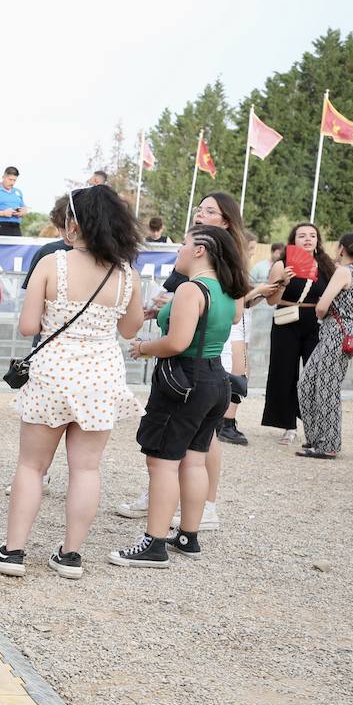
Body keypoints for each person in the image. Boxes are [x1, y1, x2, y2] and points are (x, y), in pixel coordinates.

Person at [0, 186, 143, 578]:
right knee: (86, 469)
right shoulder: (126, 274)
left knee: (32, 465)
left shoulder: (53, 264)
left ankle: (13, 551)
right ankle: (70, 556)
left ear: (74, 224)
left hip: (53, 372)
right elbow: (130, 328)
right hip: (101, 374)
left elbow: (28, 325)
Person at [115, 227, 249, 568]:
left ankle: (154, 543)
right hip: (216, 379)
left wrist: (143, 347)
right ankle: (189, 536)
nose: (179, 250)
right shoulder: (226, 288)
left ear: (200, 250)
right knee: (195, 459)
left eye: (184, 244)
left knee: (162, 462)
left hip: (185, 381)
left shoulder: (191, 289)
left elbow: (177, 342)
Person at [297, 233, 353, 459]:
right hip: (344, 330)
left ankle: (328, 444)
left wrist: (322, 312)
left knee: (327, 387)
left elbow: (321, 307)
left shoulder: (343, 271)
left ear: (341, 249)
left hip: (335, 330)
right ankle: (316, 438)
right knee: (307, 382)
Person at [262, 223, 329, 445]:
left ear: (317, 240)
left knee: (314, 374)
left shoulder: (327, 266)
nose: (308, 239)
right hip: (286, 321)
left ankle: (314, 425)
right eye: (302, 236)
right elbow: (270, 300)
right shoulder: (281, 264)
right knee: (284, 373)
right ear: (293, 240)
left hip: (316, 323)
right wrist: (283, 282)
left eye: (312, 235)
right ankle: (288, 425)